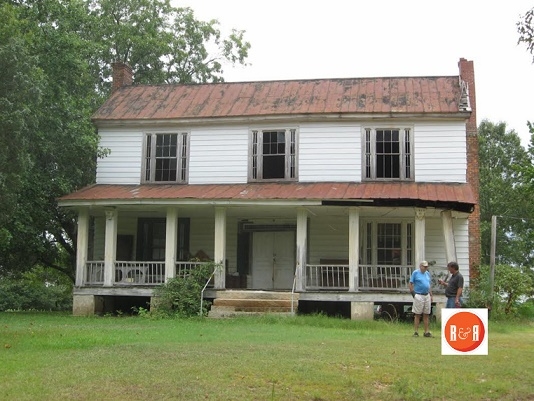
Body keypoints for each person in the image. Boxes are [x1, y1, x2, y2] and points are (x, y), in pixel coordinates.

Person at [409, 261, 433, 337]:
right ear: (420, 266)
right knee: (417, 314)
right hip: (418, 295)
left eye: (426, 267)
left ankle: (426, 331)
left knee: (426, 314)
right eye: (424, 266)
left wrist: (431, 295)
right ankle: (416, 331)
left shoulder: (427, 274)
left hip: (426, 295)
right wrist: (413, 294)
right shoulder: (415, 273)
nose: (426, 268)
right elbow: (411, 283)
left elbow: (429, 285)